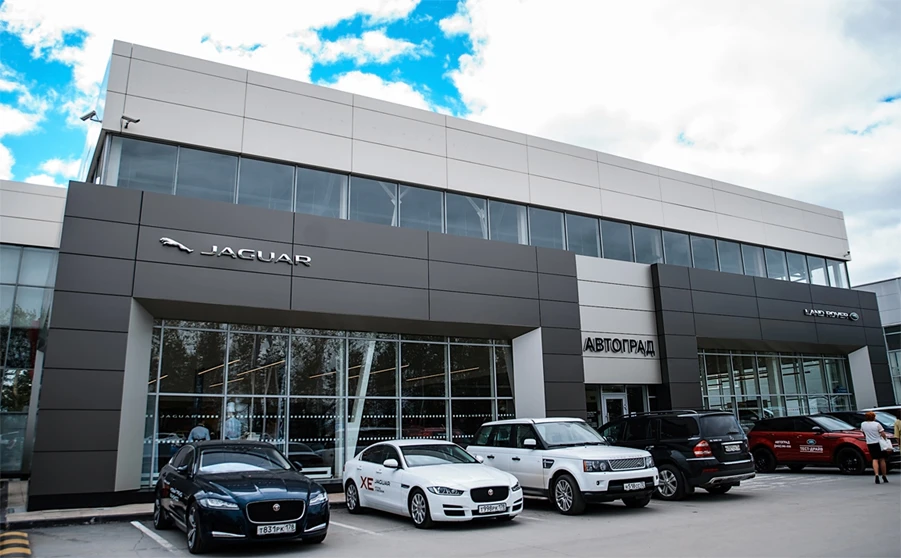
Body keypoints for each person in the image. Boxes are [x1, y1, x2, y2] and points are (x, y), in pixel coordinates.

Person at [861, 412, 888, 484]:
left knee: (874, 459)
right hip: (879, 443)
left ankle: (876, 475)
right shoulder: (877, 424)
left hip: (870, 443)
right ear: (873, 417)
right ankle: (884, 476)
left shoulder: (863, 424)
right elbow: (883, 434)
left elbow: (864, 433)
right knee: (882, 459)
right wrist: (885, 440)